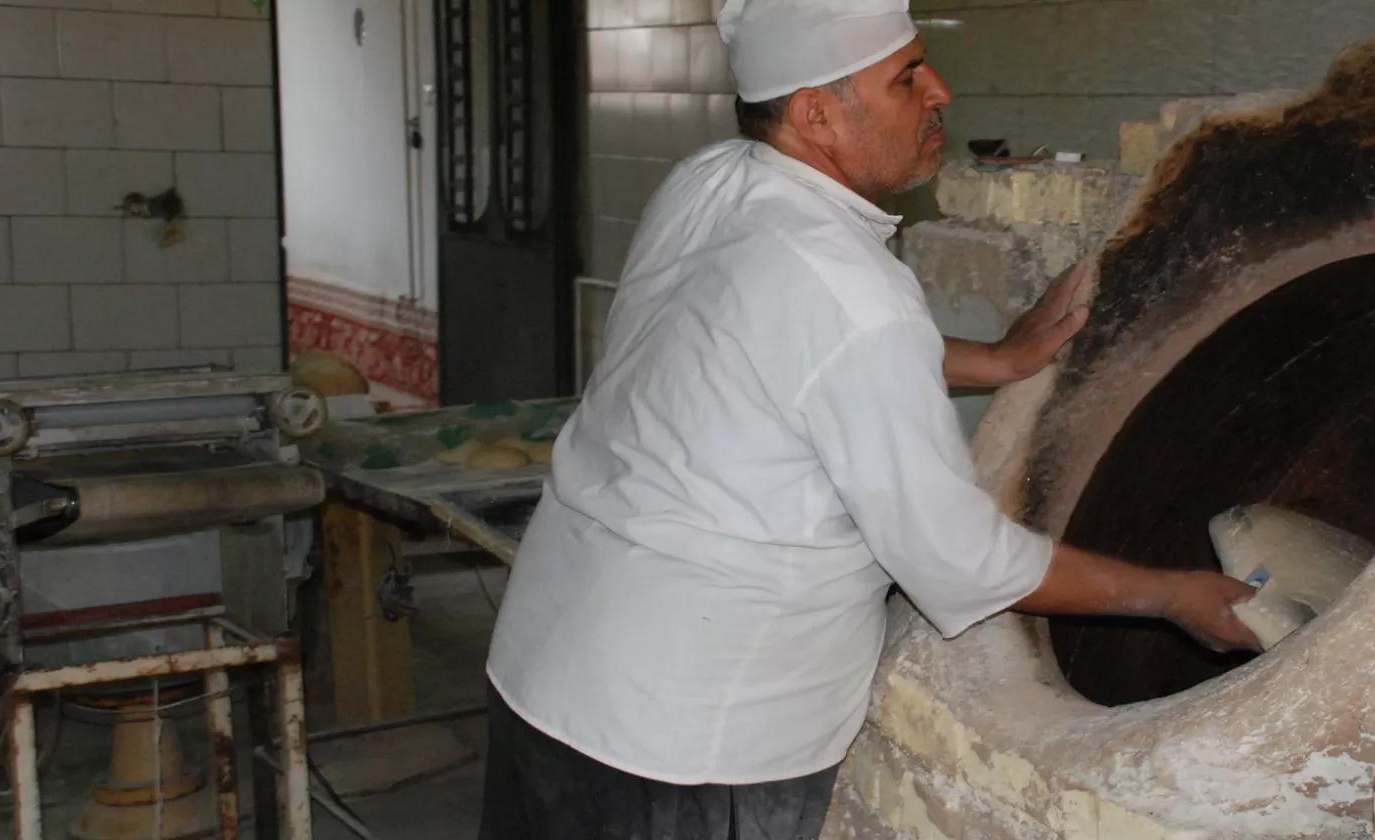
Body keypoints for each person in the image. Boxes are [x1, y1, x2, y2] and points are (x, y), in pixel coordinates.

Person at [479, 1, 1259, 836]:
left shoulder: (712, 181)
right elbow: (957, 559)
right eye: (907, 76)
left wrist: (989, 359)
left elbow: (778, 348)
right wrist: (1170, 594)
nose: (941, 91)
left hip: (548, 665)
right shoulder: (851, 291)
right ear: (817, 112)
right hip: (687, 736)